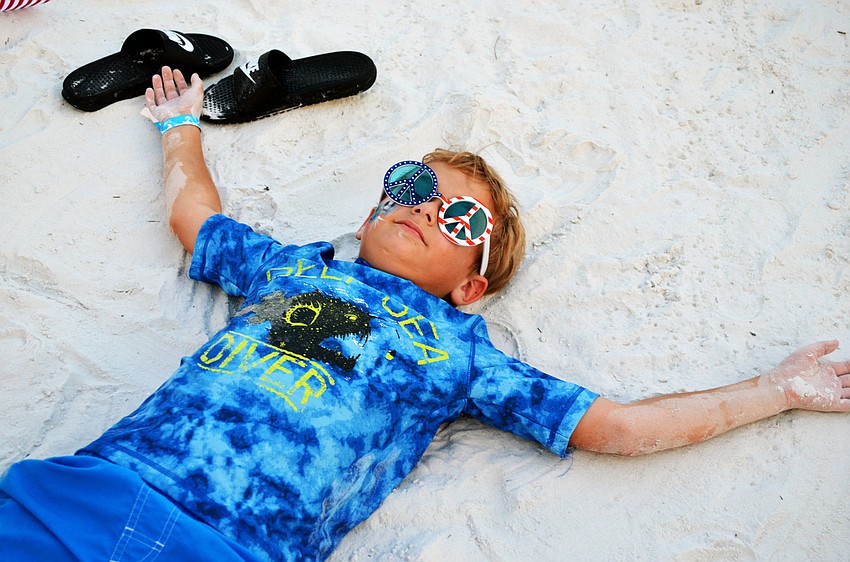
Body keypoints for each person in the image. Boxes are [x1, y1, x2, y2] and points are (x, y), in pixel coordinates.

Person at [1, 67, 848, 562]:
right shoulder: (297, 269)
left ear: (470, 286)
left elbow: (615, 426)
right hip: (79, 494)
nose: (425, 209)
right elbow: (198, 222)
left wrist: (780, 390)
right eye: (411, 188)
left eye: (460, 219)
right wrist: (180, 128)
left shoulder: (458, 351)